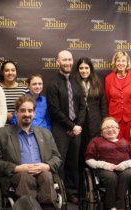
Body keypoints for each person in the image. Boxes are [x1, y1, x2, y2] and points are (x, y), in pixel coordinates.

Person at [0, 95, 62, 210]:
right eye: (22, 110)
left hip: (43, 174)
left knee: (46, 175)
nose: (27, 114)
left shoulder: (45, 133)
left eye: (30, 110)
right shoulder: (1, 134)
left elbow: (57, 157)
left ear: (34, 113)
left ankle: (48, 207)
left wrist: (46, 165)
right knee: (25, 177)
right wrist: (17, 168)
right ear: (16, 113)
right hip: (16, 176)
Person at [46, 50, 86, 204]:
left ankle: (72, 192)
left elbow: (83, 106)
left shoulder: (77, 82)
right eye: (64, 60)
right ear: (58, 62)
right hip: (60, 129)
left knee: (73, 162)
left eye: (70, 60)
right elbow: (54, 110)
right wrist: (71, 126)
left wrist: (78, 125)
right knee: (60, 162)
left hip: (76, 129)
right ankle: (59, 191)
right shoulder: (53, 83)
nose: (68, 63)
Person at [85, 117, 131, 210]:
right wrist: (105, 165)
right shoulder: (96, 141)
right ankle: (111, 207)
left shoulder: (124, 142)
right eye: (106, 127)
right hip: (104, 170)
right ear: (101, 131)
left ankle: (119, 206)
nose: (110, 129)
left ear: (118, 129)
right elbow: (88, 159)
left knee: (128, 174)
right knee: (111, 177)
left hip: (124, 169)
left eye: (113, 127)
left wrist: (125, 165)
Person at [74, 57, 107, 172]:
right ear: (77, 70)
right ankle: (83, 183)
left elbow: (103, 105)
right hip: (79, 123)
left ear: (91, 69)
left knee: (95, 151)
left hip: (95, 123)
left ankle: (96, 179)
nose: (84, 71)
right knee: (81, 152)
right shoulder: (73, 83)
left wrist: (104, 124)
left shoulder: (97, 83)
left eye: (86, 68)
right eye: (81, 68)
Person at [105, 51, 131, 151]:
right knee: (114, 149)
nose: (120, 63)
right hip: (114, 121)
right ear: (115, 62)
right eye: (118, 61)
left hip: (130, 121)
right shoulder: (108, 79)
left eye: (123, 61)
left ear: (127, 63)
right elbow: (108, 99)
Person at [0, 60, 28, 124]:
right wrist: (5, 115)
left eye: (13, 70)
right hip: (0, 128)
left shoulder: (24, 89)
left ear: (16, 72)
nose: (10, 73)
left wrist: (15, 117)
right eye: (7, 70)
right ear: (2, 72)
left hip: (19, 127)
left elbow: (30, 109)